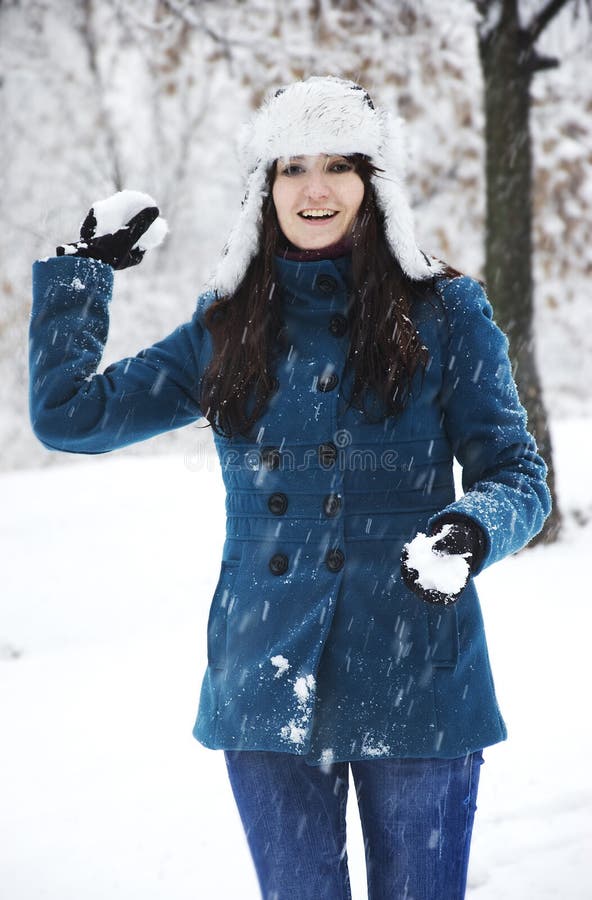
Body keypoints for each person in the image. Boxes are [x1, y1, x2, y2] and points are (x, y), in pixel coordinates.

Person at [30, 76, 551, 900]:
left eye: (339, 165)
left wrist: (472, 529)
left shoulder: (447, 311)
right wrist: (85, 274)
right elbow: (70, 415)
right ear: (264, 187)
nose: (315, 189)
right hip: (266, 675)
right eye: (292, 167)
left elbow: (516, 473)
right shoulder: (225, 326)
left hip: (416, 667)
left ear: (374, 183)